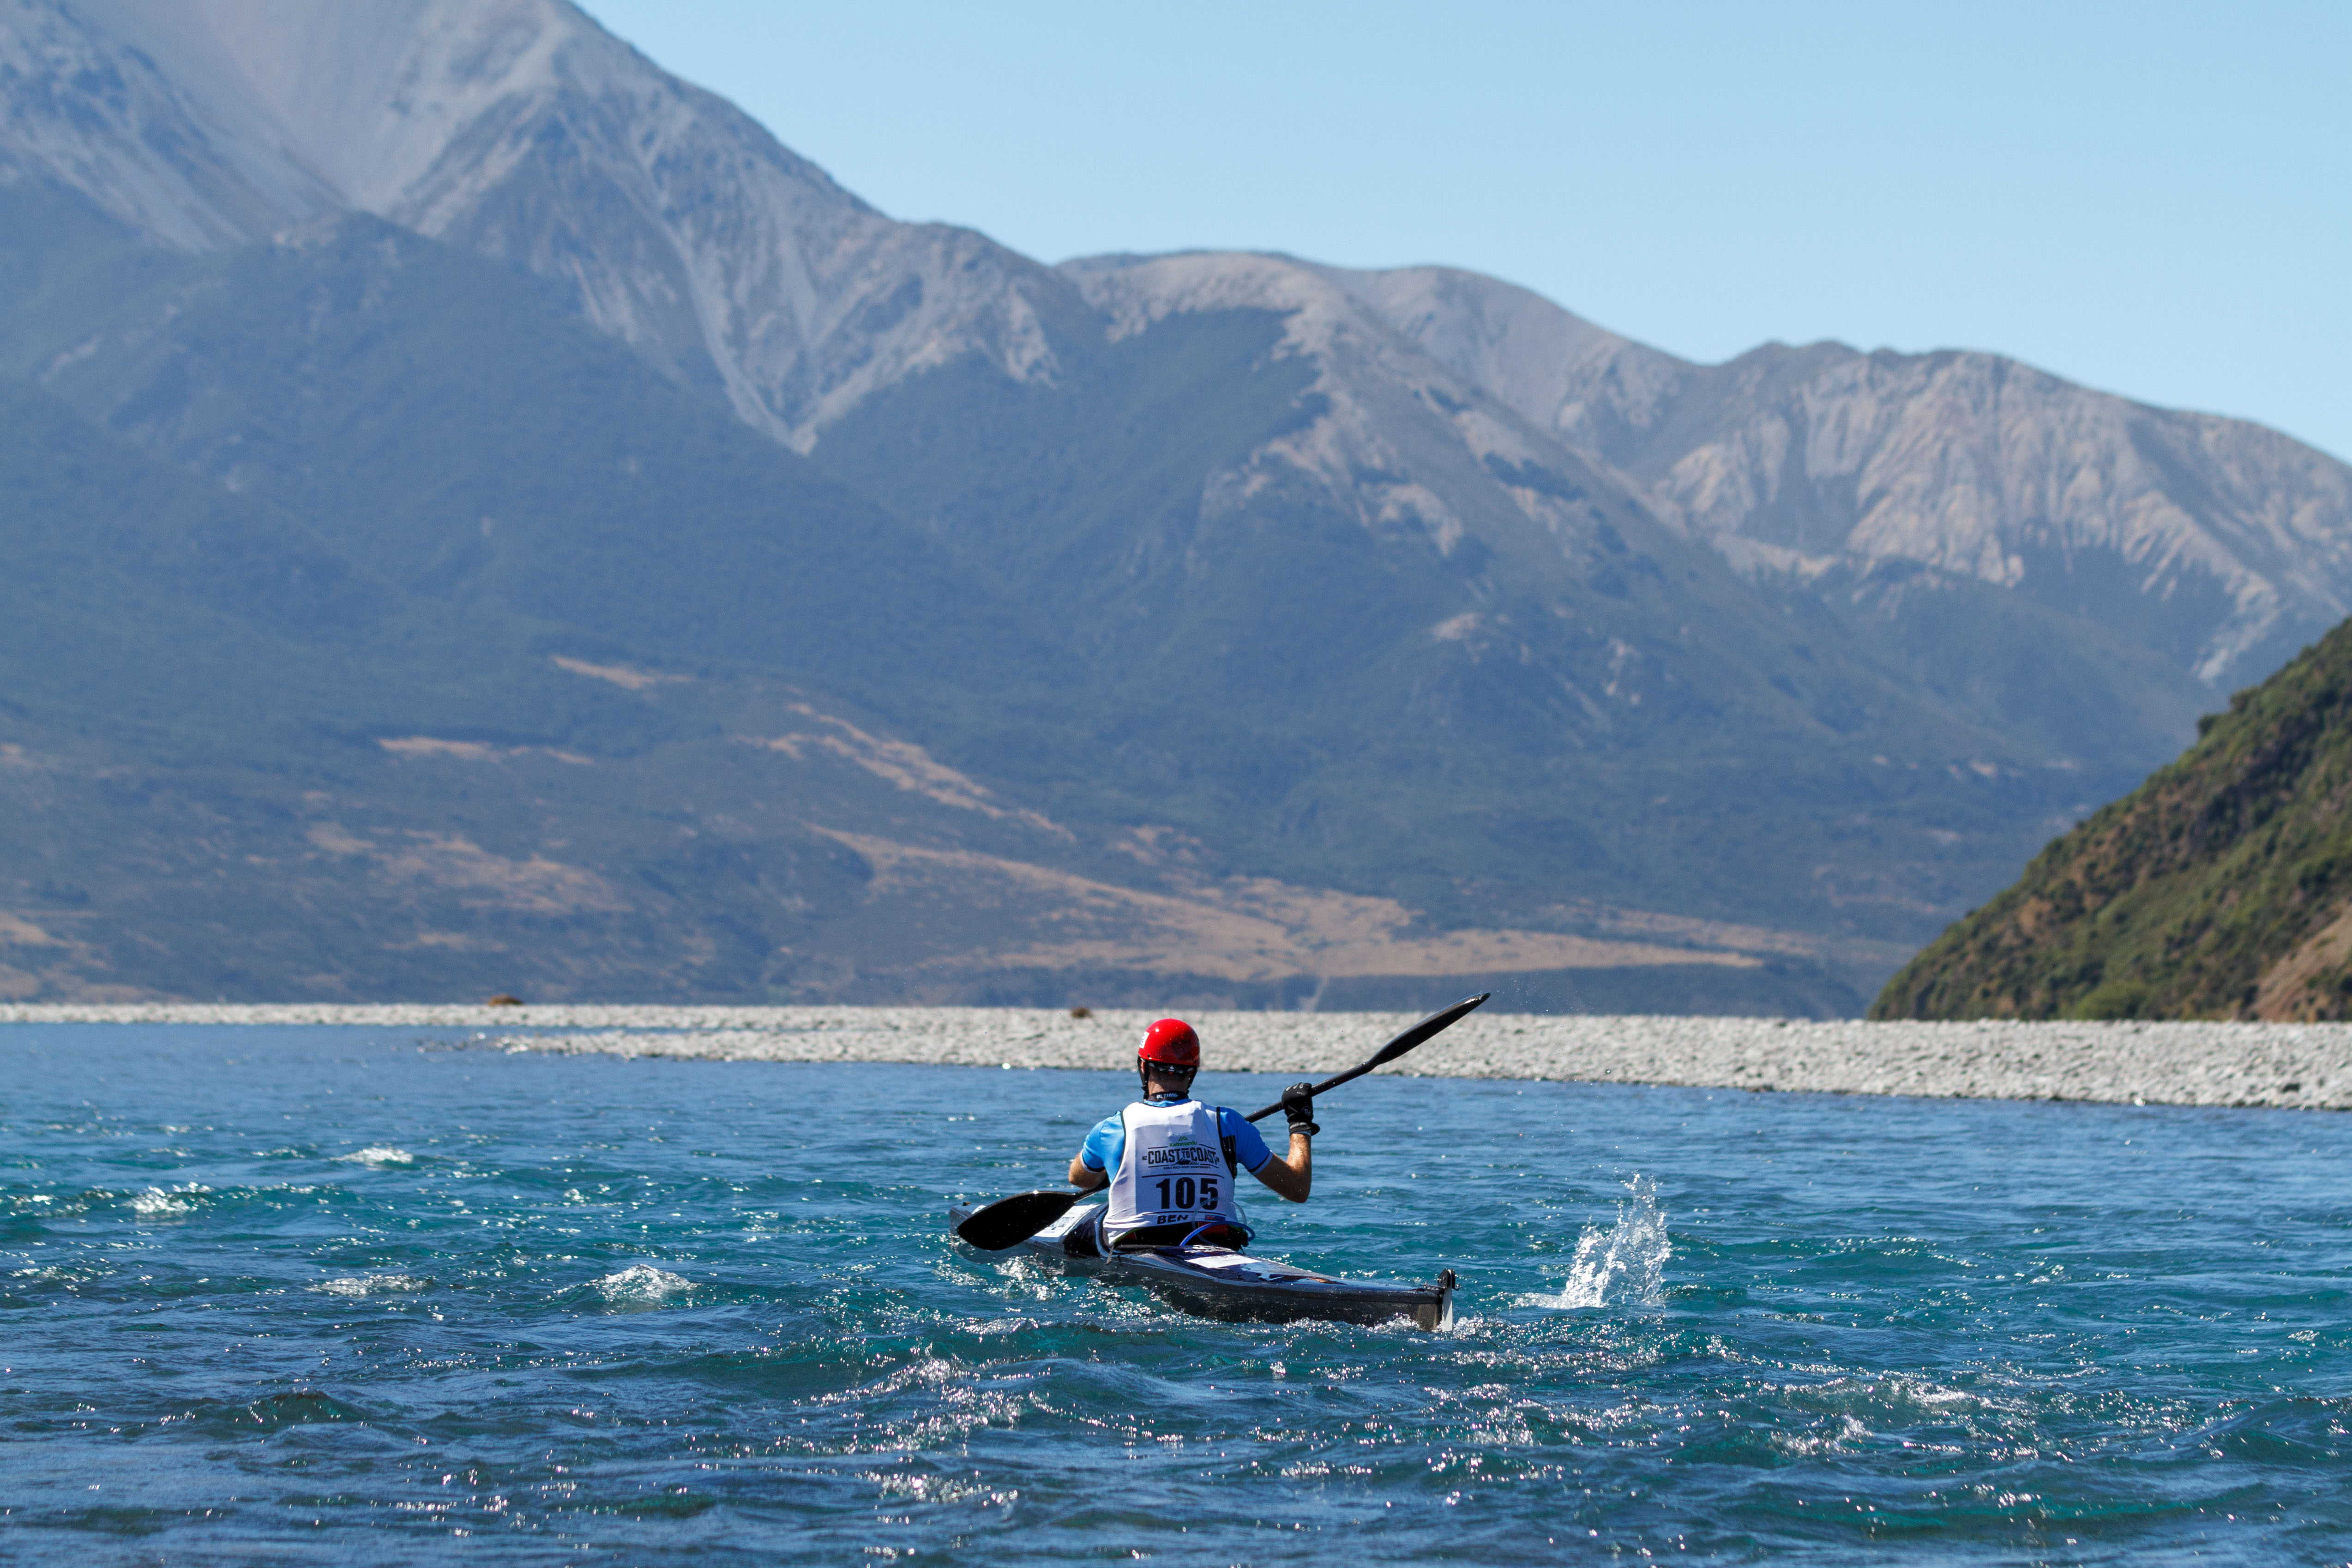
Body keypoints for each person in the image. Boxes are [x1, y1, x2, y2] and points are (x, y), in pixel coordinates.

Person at [1065, 1016, 1317, 1252]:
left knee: (1093, 1227)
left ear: (1143, 1067)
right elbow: (1297, 1189)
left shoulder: (1112, 1129)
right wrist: (1299, 1123)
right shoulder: (1229, 1124)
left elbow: (1079, 1179)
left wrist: (1113, 1168)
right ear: (1193, 1071)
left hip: (1137, 1249)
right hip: (1214, 1244)